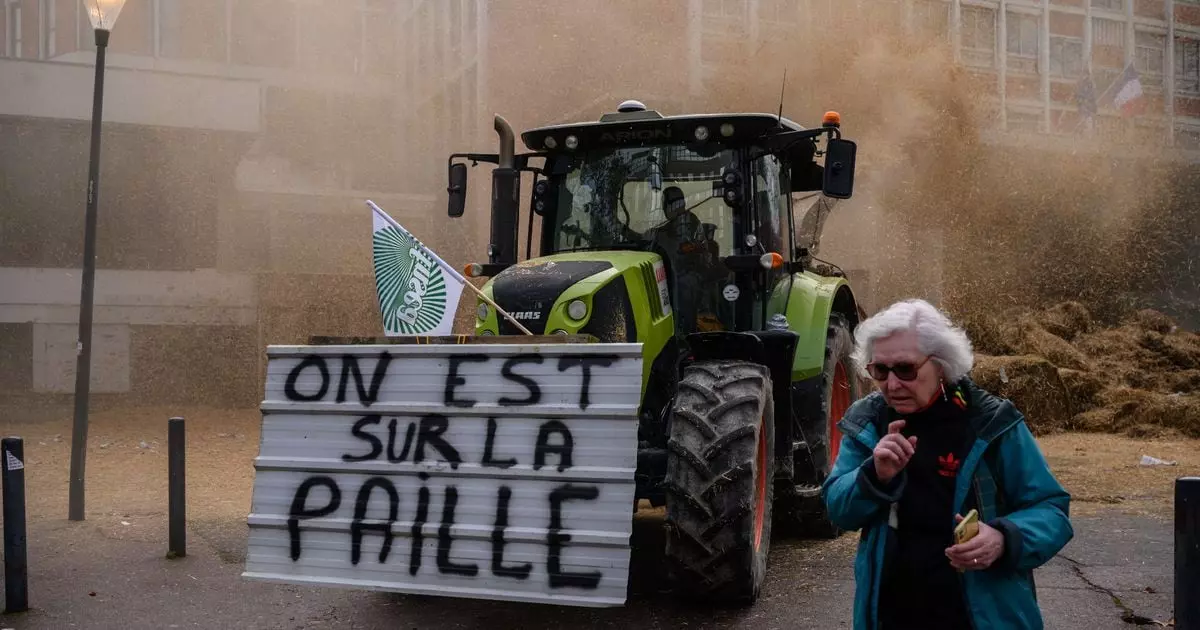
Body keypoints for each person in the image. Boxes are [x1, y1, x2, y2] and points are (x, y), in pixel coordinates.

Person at [821, 298, 1074, 630]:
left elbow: (1051, 510)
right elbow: (838, 510)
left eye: (906, 369)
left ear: (940, 364)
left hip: (983, 616)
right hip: (893, 614)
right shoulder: (866, 421)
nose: (892, 384)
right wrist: (874, 476)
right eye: (879, 370)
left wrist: (1001, 539)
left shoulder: (991, 422)